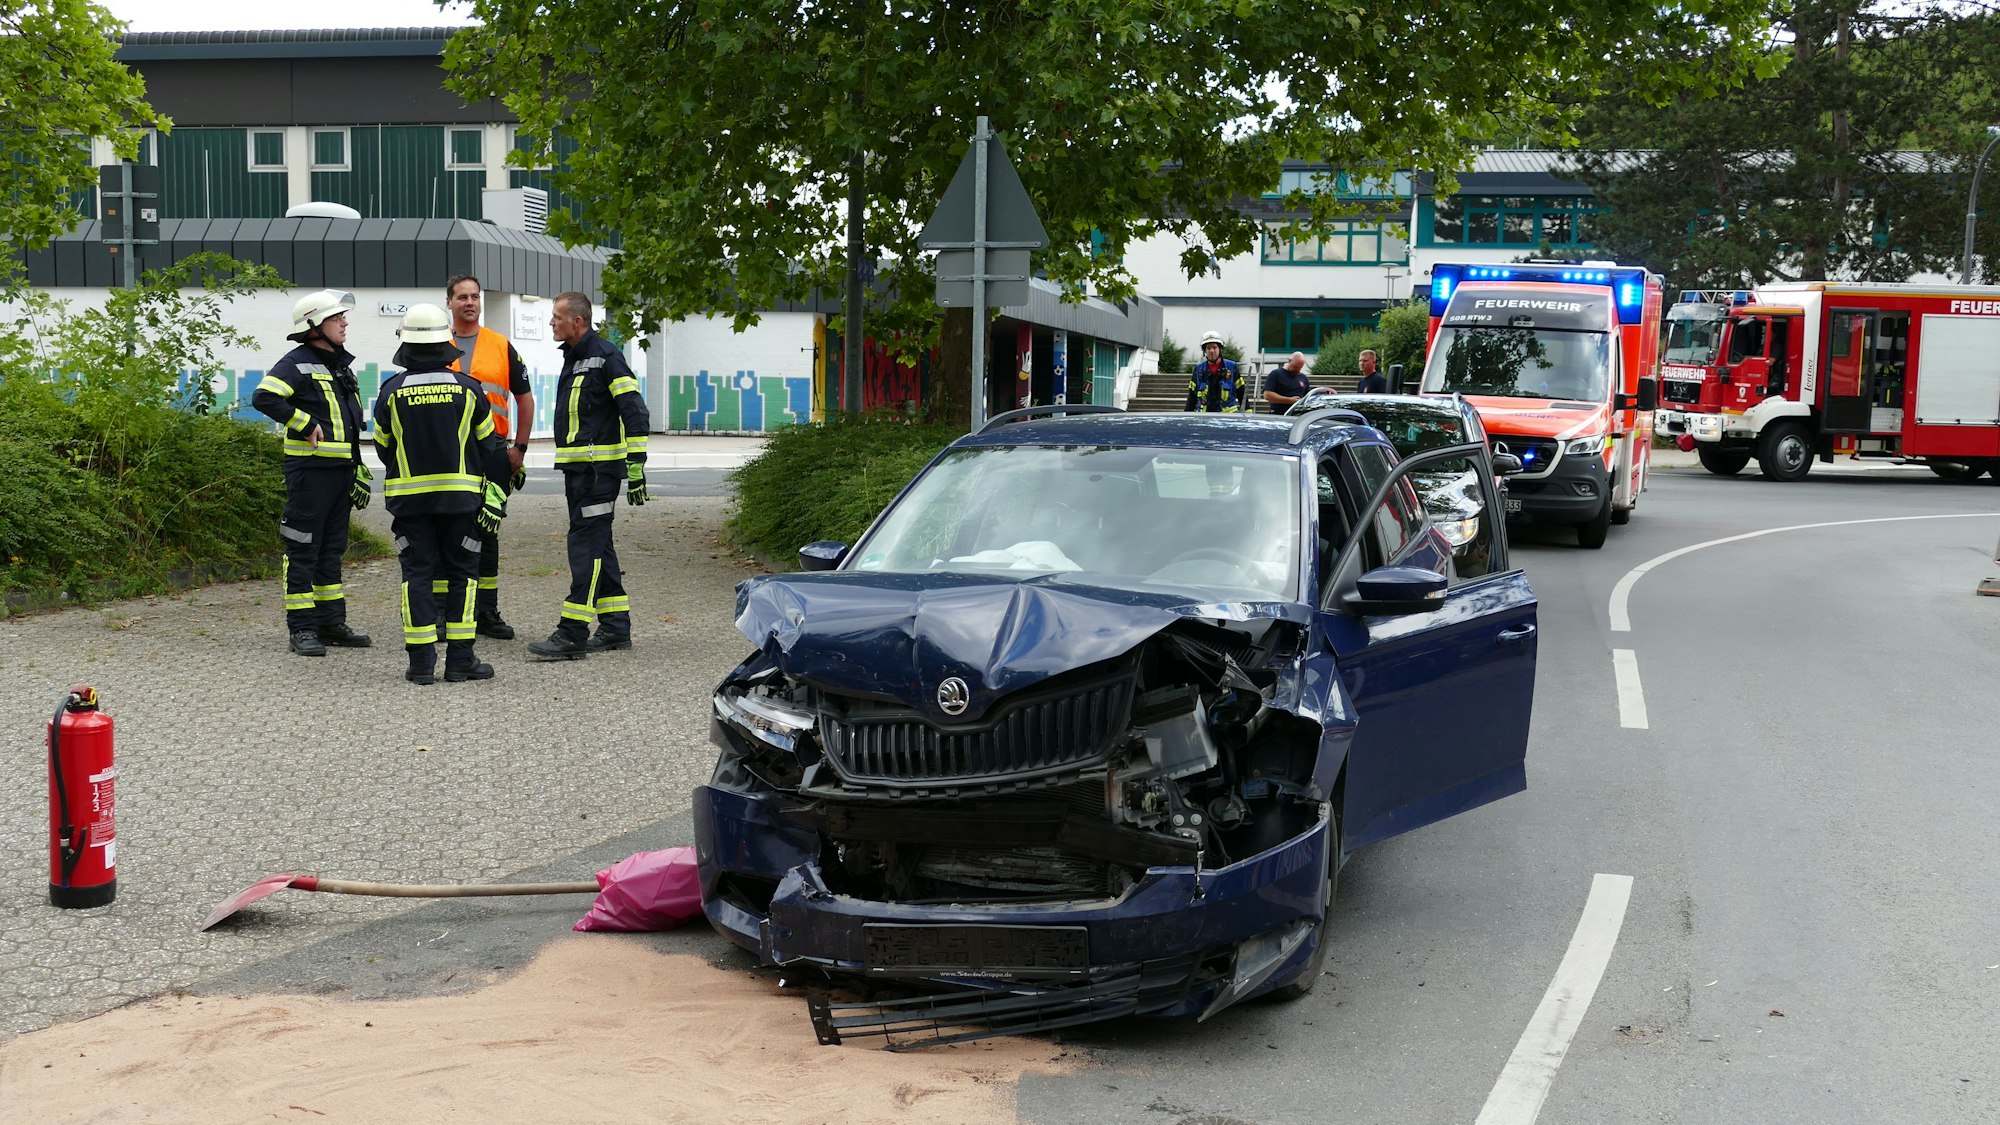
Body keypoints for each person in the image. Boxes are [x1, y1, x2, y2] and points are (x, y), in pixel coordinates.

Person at [372, 304, 509, 684]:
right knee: (464, 575)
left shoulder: (390, 392)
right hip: (460, 500)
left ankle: (420, 665)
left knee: (416, 574)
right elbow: (487, 445)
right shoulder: (468, 390)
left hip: (409, 502)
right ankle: (461, 661)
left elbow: (384, 446)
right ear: (446, 342)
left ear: (407, 344)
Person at [527, 292, 651, 660]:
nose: (551, 322)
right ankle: (614, 627)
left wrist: (636, 463)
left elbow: (635, 410)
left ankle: (572, 633)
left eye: (556, 317)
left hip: (598, 473)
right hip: (580, 472)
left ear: (576, 322)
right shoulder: (576, 357)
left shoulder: (606, 358)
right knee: (599, 546)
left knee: (584, 548)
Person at [251, 289, 373, 657]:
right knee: (302, 548)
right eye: (337, 318)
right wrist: (301, 421)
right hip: (310, 472)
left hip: (339, 472)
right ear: (314, 325)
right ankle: (301, 628)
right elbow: (264, 397)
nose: (345, 323)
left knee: (332, 549)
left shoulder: (338, 364)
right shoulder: (296, 362)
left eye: (343, 317)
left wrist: (358, 466)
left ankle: (330, 623)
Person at [443, 274, 535, 640]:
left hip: (494, 452)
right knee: (447, 528)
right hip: (449, 453)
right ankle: (447, 611)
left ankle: (486, 612)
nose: (470, 302)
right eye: (462, 297)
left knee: (488, 530)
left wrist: (521, 448)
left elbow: (524, 398)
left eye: (475, 297)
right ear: (448, 302)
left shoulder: (501, 346)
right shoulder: (435, 343)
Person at [1184, 330, 1245, 413]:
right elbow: (1192, 398)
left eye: (1214, 347)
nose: (1211, 351)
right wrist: (1186, 418)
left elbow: (1242, 393)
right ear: (1204, 351)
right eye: (1208, 348)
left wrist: (1248, 416)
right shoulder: (1198, 370)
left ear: (1220, 349)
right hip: (1204, 419)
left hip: (1227, 420)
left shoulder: (1232, 368)